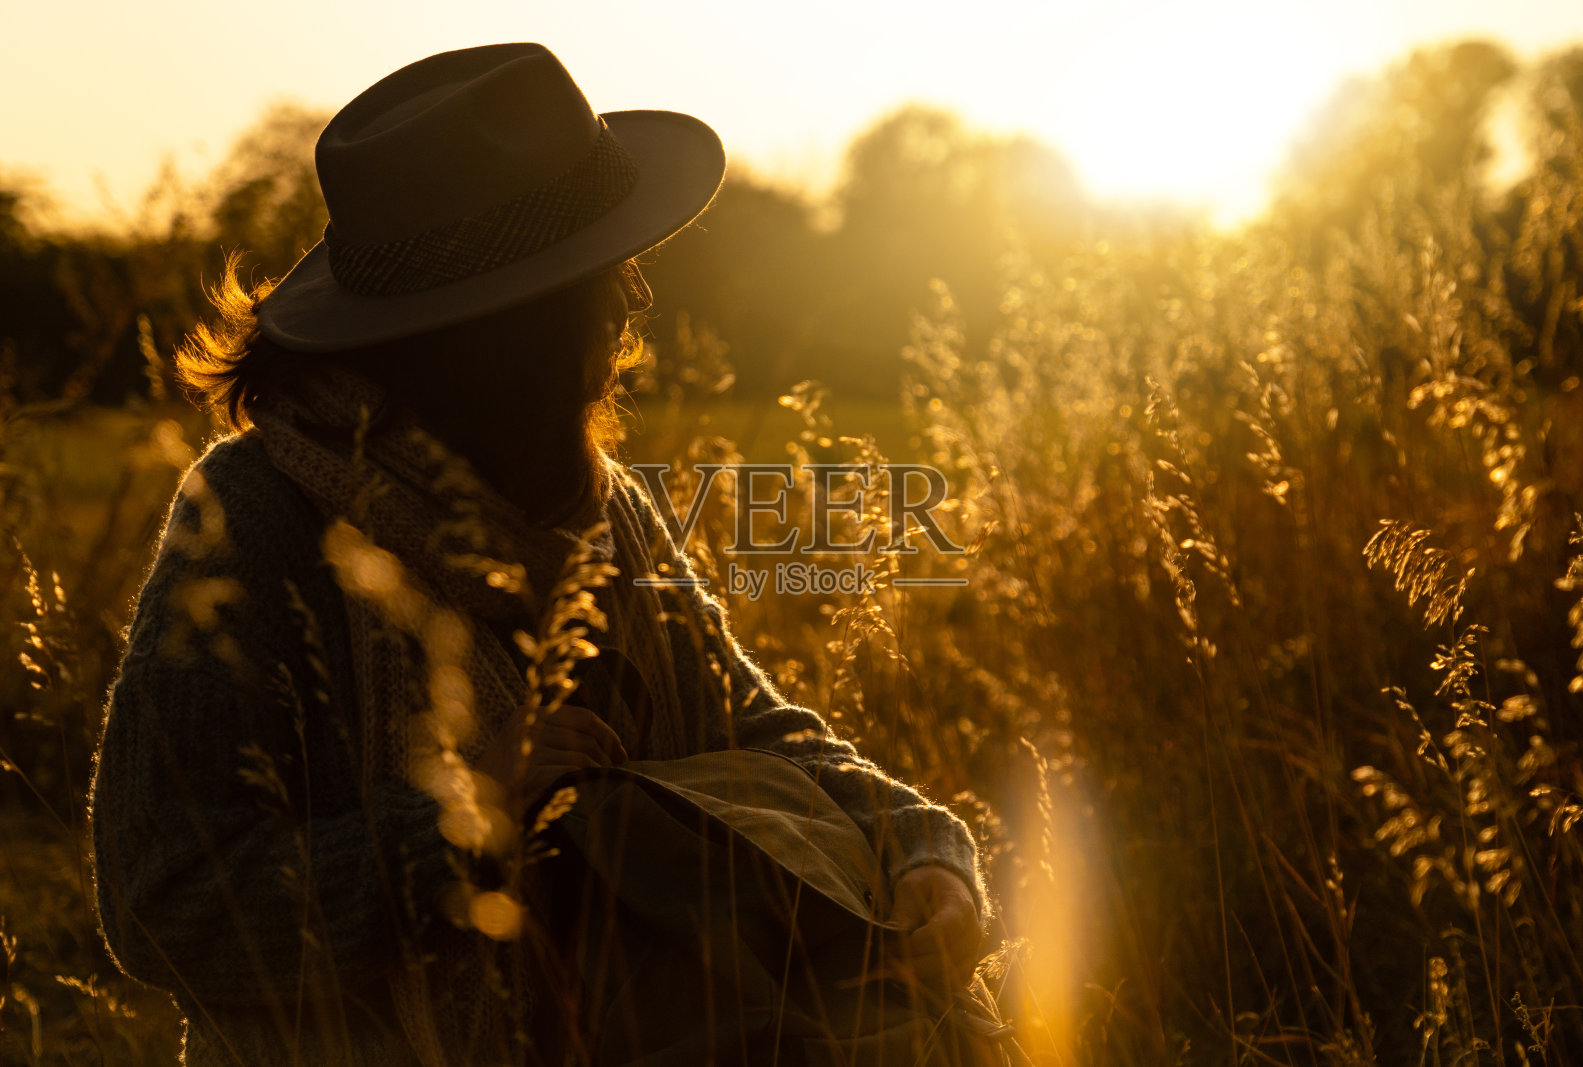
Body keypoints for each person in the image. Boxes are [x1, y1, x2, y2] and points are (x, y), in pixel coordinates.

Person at [90, 43, 992, 1066]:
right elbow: (161, 901)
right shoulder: (255, 518)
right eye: (605, 270)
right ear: (507, 330)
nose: (635, 300)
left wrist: (923, 852)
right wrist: (461, 821)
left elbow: (756, 732)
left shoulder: (605, 505)